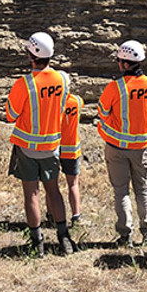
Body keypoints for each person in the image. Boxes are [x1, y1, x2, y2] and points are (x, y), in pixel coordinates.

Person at [6, 32, 76, 256]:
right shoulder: (63, 80)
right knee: (53, 191)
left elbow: (10, 114)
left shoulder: (24, 84)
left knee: (31, 194)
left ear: (30, 55)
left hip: (27, 147)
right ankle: (64, 238)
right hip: (52, 145)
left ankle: (37, 242)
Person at [97, 40, 147, 249]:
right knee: (142, 189)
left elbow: (103, 112)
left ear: (124, 63)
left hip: (116, 146)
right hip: (141, 147)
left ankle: (125, 235)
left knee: (121, 191)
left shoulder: (115, 87)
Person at [60, 91, 84, 226]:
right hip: (72, 149)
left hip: (55, 146)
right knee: (73, 184)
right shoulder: (77, 100)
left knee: (51, 185)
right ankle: (76, 216)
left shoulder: (55, 103)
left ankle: (51, 215)